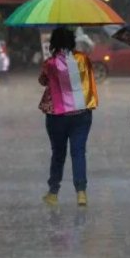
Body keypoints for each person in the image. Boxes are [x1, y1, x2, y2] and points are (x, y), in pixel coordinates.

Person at [38, 27, 98, 207]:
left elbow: (43, 81)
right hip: (81, 113)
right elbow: (89, 78)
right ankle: (81, 193)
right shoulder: (83, 59)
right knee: (78, 152)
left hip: (57, 115)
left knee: (58, 153)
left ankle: (53, 193)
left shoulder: (50, 63)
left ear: (54, 43)